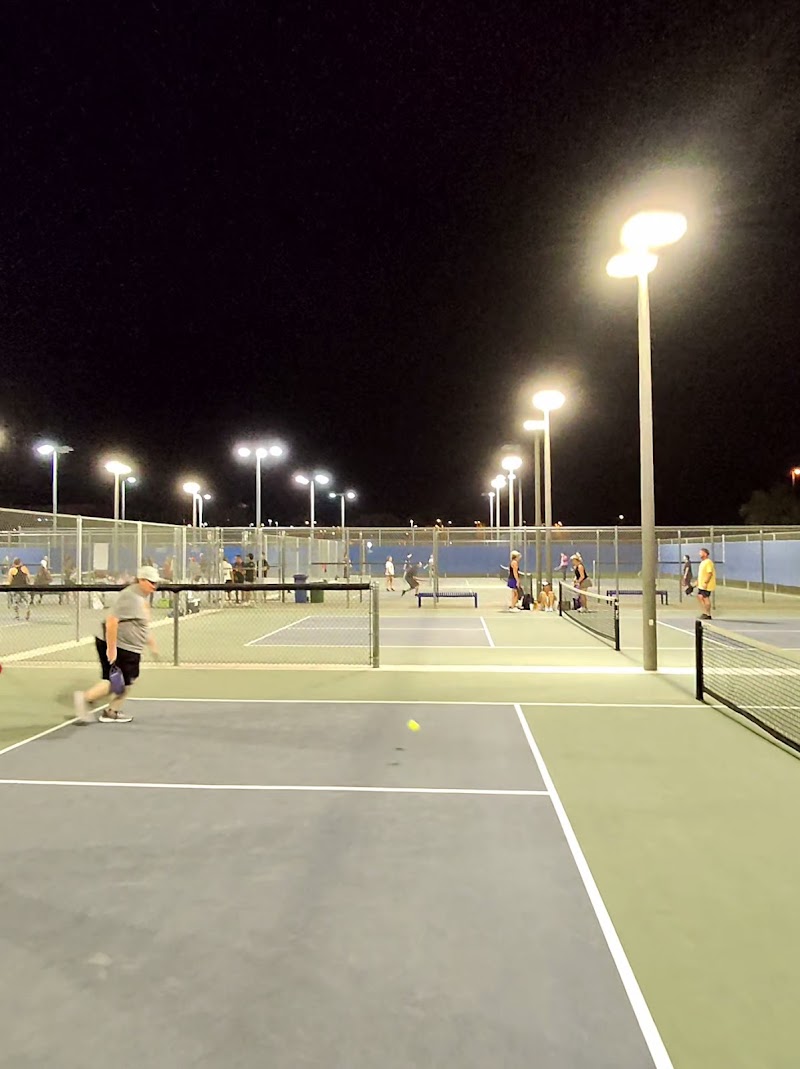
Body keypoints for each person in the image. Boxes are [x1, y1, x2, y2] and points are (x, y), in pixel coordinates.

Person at [73, 565, 160, 724]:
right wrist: (111, 650)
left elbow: (142, 624)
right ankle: (85, 699)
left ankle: (111, 712)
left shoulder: (140, 595)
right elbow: (111, 622)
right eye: (151, 582)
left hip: (127, 647)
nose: (155, 586)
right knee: (120, 682)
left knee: (124, 681)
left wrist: (151, 644)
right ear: (141, 580)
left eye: (156, 583)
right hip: (120, 646)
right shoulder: (131, 597)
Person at [696, 547, 716, 620]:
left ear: (705, 553)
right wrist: (697, 582)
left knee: (705, 598)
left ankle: (708, 614)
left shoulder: (708, 562)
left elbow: (709, 573)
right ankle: (705, 612)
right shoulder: (702, 562)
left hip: (706, 585)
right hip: (701, 585)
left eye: (701, 552)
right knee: (700, 597)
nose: (699, 554)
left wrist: (705, 582)